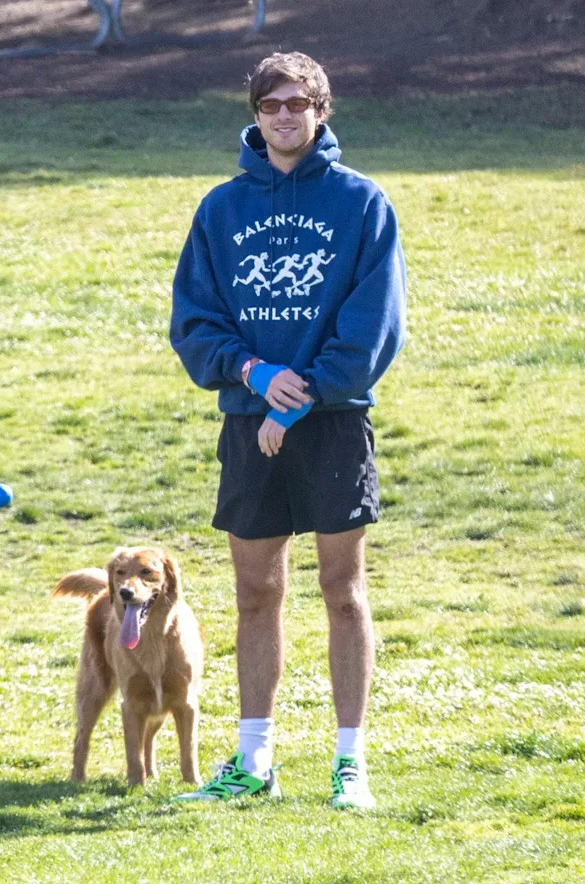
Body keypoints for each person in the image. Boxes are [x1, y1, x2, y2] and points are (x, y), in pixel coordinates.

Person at [169, 52, 406, 809]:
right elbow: (195, 324)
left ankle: (350, 764)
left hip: (333, 424)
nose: (283, 116)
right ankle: (254, 760)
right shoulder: (221, 209)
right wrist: (252, 373)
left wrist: (298, 399)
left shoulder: (361, 203)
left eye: (298, 103)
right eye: (271, 105)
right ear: (256, 114)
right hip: (250, 422)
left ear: (321, 111)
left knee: (342, 590)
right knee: (254, 591)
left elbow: (373, 329)